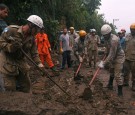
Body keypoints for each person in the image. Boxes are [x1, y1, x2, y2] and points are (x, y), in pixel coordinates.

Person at [0, 15, 44, 93]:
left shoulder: (32, 38)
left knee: (27, 87)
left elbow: (34, 53)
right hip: (7, 60)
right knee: (10, 88)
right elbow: (1, 42)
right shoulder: (11, 30)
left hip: (20, 61)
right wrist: (11, 47)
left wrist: (39, 64)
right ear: (31, 25)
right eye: (37, 29)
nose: (37, 32)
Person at [99, 24, 125, 96]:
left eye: (105, 35)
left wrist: (104, 63)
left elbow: (112, 54)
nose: (104, 37)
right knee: (111, 71)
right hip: (112, 56)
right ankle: (110, 84)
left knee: (117, 75)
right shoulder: (106, 38)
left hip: (119, 57)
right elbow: (107, 49)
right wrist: (105, 54)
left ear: (109, 33)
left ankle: (120, 92)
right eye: (103, 35)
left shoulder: (114, 40)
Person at [123, 23, 135, 90]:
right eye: (131, 29)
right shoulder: (127, 36)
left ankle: (134, 85)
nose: (132, 31)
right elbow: (125, 45)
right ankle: (126, 82)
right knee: (126, 71)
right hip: (127, 56)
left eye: (133, 30)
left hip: (133, 58)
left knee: (134, 72)